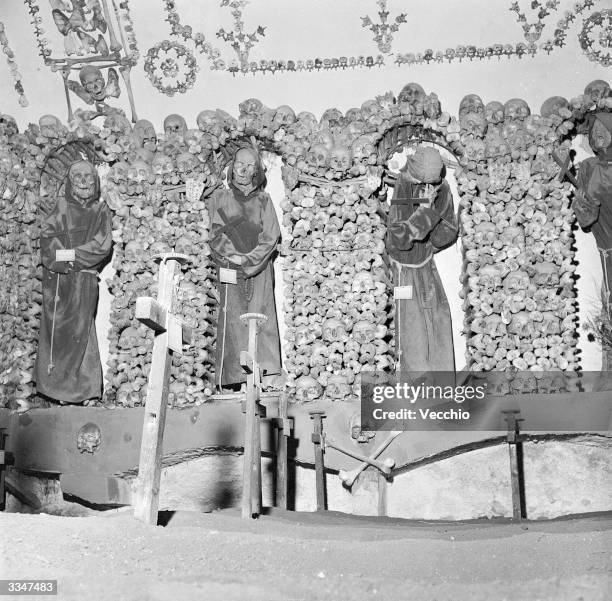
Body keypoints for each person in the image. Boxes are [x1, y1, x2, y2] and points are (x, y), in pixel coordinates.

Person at [35, 159, 112, 403]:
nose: (82, 181)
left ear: (95, 181)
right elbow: (47, 242)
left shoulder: (100, 211)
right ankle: (53, 390)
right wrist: (69, 258)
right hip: (57, 283)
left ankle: (84, 391)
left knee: (82, 331)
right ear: (69, 181)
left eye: (88, 176)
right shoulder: (60, 208)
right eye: (76, 176)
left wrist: (70, 256)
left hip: (84, 282)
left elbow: (101, 245)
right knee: (56, 334)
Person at [208, 146, 282, 389]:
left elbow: (270, 236)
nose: (244, 169)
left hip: (259, 269)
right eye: (240, 163)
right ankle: (234, 378)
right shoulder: (220, 198)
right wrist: (234, 257)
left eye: (250, 166)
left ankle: (268, 374)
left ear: (257, 171)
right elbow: (216, 233)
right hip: (230, 268)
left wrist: (250, 260)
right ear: (232, 166)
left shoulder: (264, 200)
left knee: (263, 318)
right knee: (233, 323)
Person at [384, 145, 458, 374]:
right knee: (412, 332)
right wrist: (425, 212)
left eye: (432, 183)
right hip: (403, 272)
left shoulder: (441, 187)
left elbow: (448, 228)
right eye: (422, 182)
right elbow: (398, 240)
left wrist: (429, 245)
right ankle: (414, 392)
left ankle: (441, 390)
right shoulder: (403, 185)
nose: (428, 188)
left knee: (438, 323)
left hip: (426, 268)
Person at [573, 112, 612, 369]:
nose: (598, 132)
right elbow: (585, 219)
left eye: (604, 127)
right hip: (608, 251)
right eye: (594, 128)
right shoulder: (587, 167)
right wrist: (584, 205)